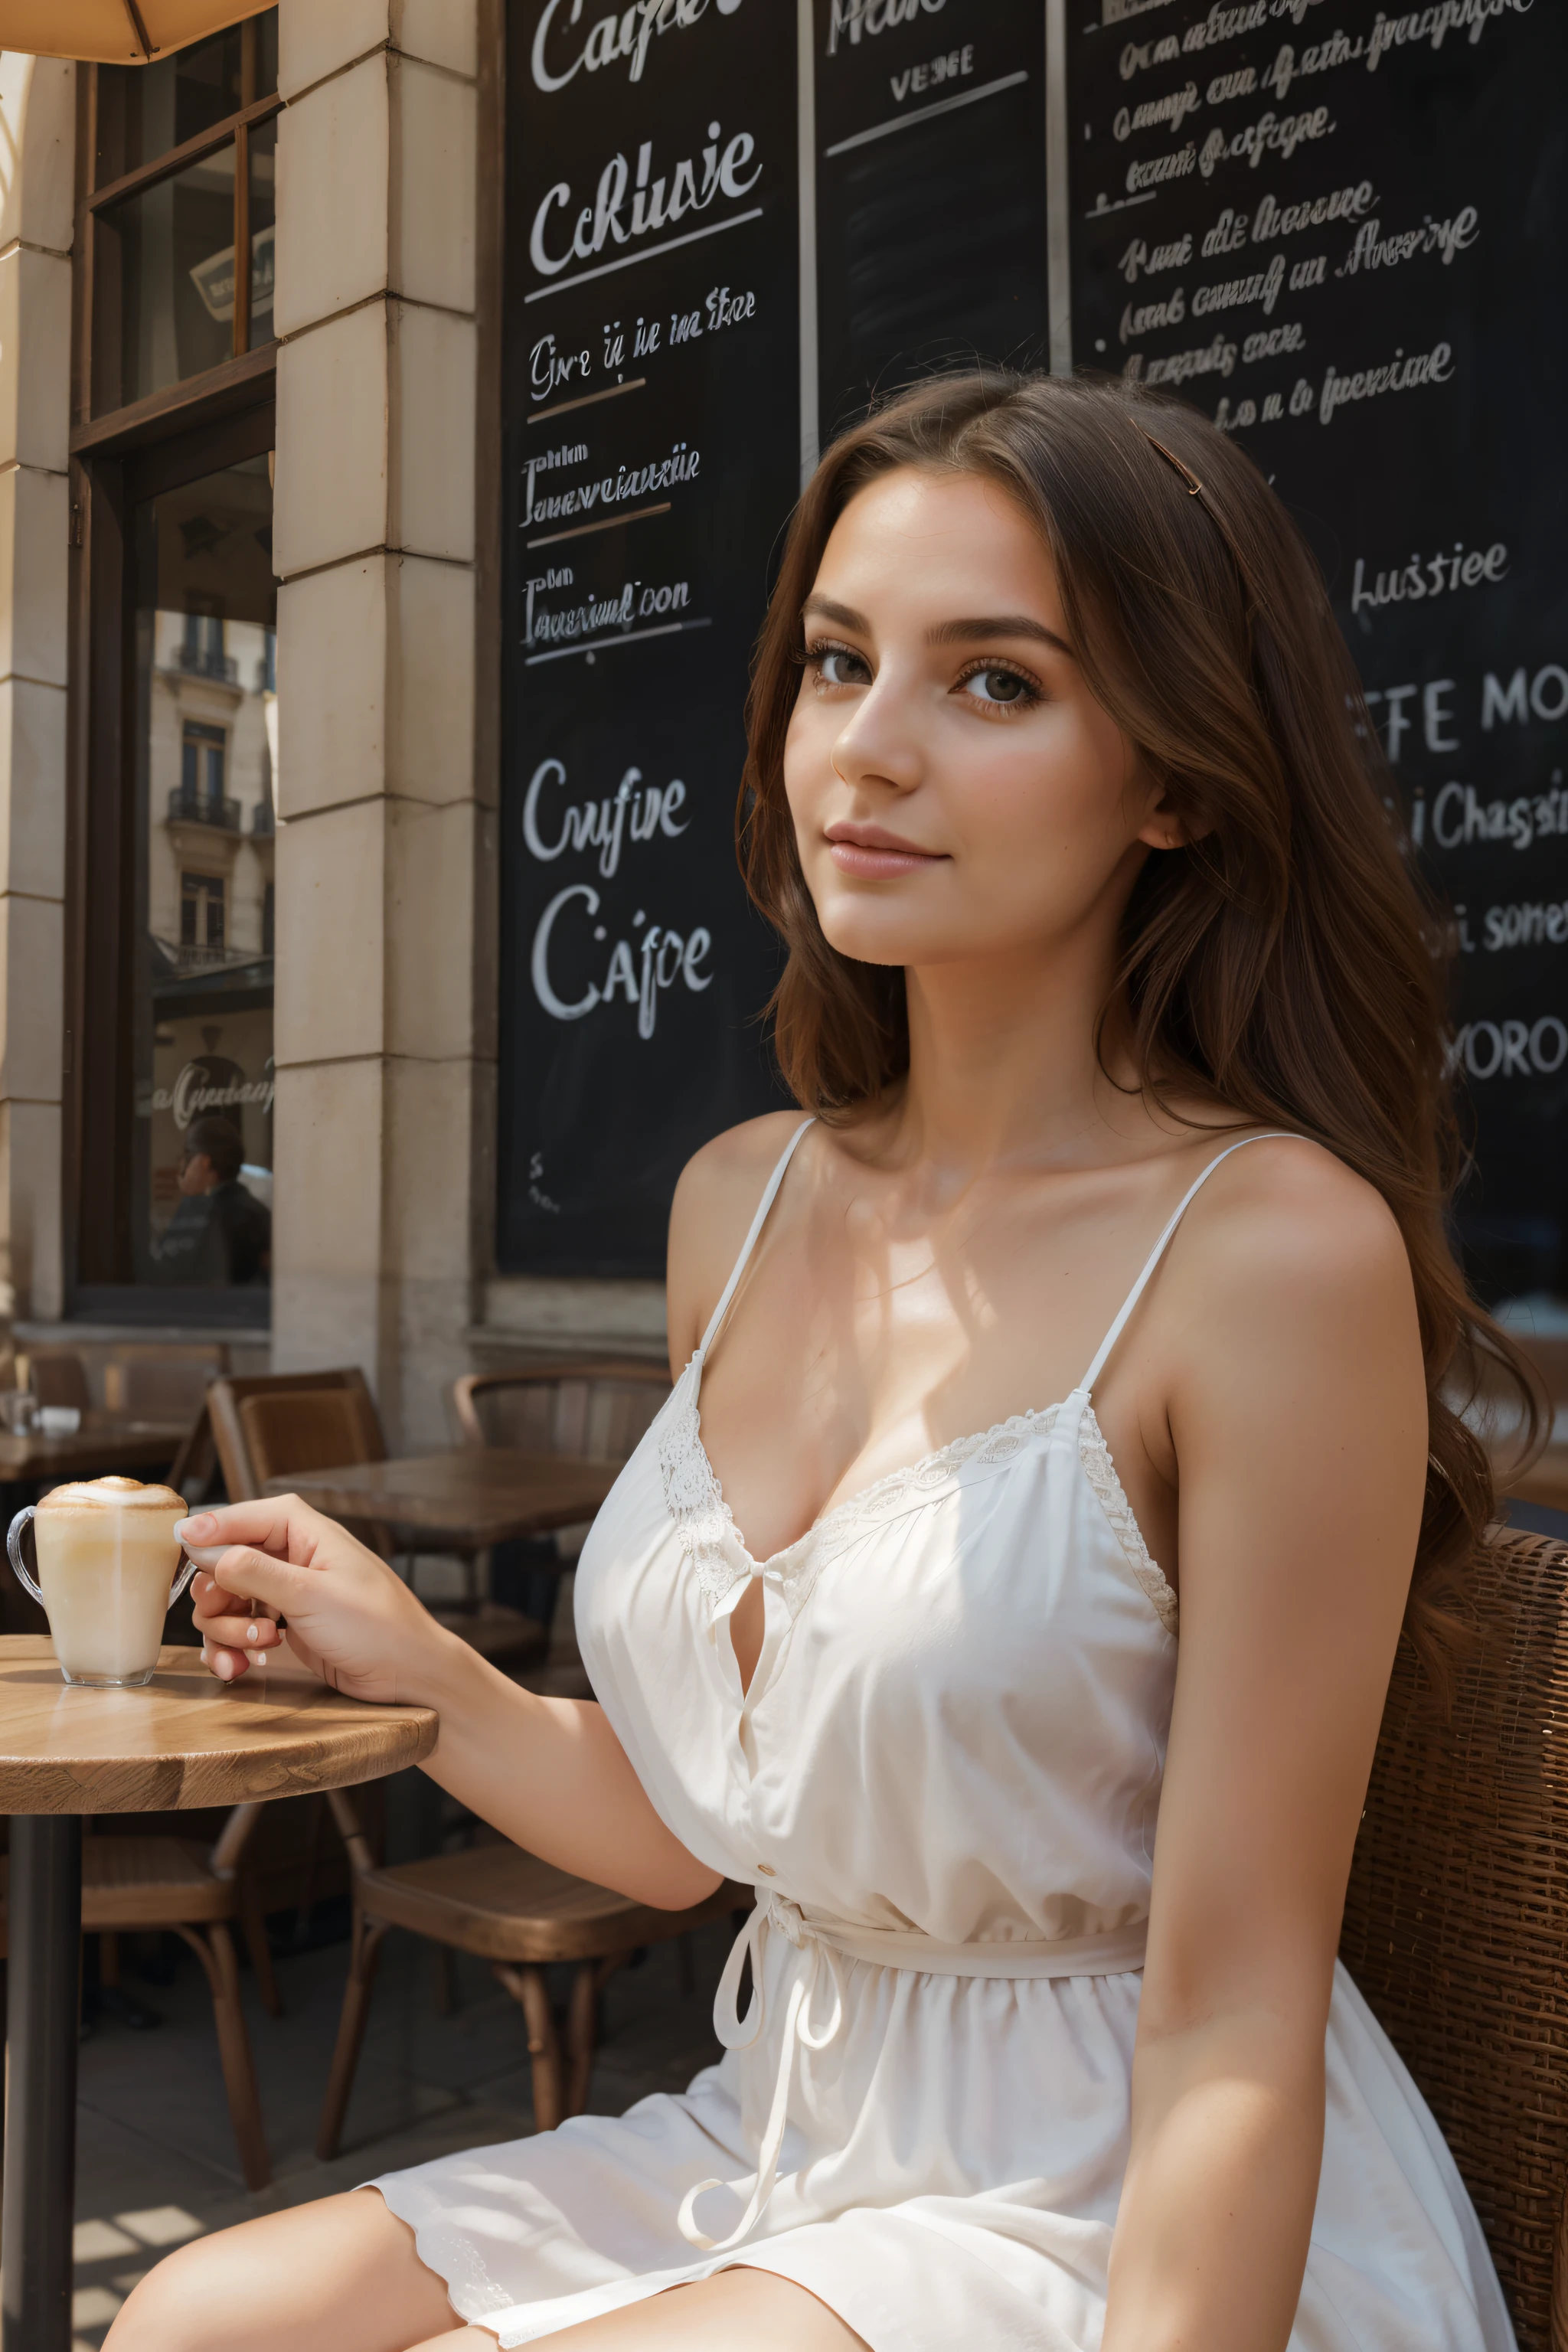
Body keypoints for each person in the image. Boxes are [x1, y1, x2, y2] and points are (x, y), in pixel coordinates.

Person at [106, 371, 1531, 2352]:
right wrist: (423, 1678)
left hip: (1106, 2197)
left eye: (998, 683)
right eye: (838, 662)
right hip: (782, 2133)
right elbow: (719, 1839)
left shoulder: (1268, 1254)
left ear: (1181, 777)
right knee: (192, 2317)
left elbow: (1231, 2014)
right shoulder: (741, 1201)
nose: (869, 749)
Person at [152, 1115, 271, 1286]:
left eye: (187, 1158)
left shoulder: (196, 1211)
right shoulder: (258, 1212)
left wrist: (190, 1200)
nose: (183, 1168)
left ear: (203, 1162)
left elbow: (166, 1272)